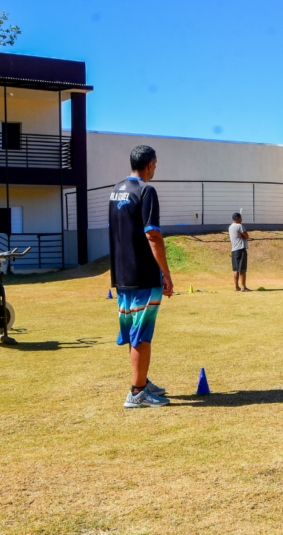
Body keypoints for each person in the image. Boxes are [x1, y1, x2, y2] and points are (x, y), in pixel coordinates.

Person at [109, 145, 174, 408]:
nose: (155, 169)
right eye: (155, 164)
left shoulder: (116, 190)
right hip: (143, 274)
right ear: (149, 165)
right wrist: (166, 273)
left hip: (122, 275)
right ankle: (137, 393)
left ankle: (141, 381)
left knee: (134, 332)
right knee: (142, 334)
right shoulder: (147, 190)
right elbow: (152, 234)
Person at [229, 212, 251, 292]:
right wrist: (243, 235)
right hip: (241, 249)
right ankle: (243, 287)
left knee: (236, 270)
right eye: (241, 218)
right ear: (237, 218)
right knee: (242, 269)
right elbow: (247, 236)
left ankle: (236, 287)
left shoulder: (230, 227)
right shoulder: (239, 226)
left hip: (234, 250)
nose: (242, 219)